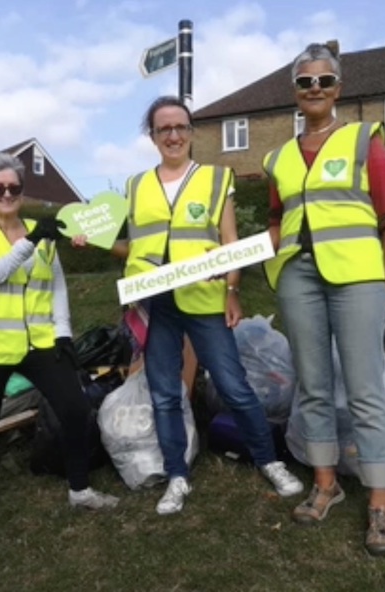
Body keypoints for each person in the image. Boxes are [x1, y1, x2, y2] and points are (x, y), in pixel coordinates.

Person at [105, 95, 304, 515]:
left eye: (181, 127)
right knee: (164, 393)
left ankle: (269, 461)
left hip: (204, 299)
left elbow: (229, 243)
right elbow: (134, 247)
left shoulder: (215, 178)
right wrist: (101, 243)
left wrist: (233, 291)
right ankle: (177, 475)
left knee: (234, 386)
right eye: (164, 129)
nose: (174, 136)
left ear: (191, 133)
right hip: (155, 303)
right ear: (153, 136)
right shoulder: (136, 186)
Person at [263, 44, 385, 556]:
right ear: (295, 93)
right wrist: (270, 259)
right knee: (313, 385)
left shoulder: (363, 140)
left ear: (339, 89)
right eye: (305, 82)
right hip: (298, 279)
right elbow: (277, 216)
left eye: (324, 80)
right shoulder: (278, 156)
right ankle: (326, 484)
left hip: (357, 279)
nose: (315, 89)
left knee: (366, 388)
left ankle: (382, 502)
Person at [0, 153, 118, 545]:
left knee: (75, 408)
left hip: (38, 341)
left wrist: (64, 334)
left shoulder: (42, 230)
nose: (7, 194)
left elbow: (56, 286)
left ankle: (80, 490)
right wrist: (31, 241)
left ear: (22, 191)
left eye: (14, 188)